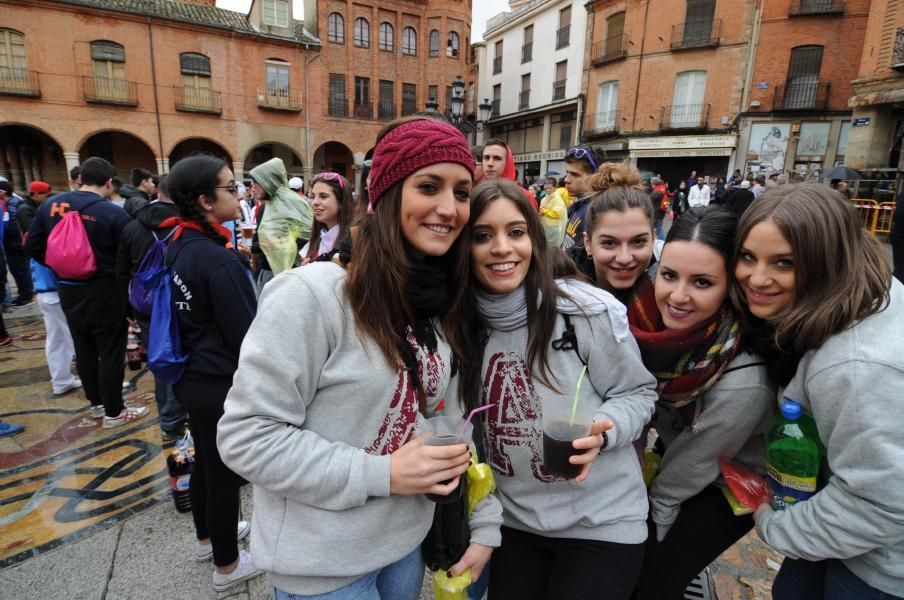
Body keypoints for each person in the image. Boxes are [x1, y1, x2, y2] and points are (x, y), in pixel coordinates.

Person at [217, 117, 501, 600]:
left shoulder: (436, 304)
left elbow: (449, 420)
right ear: (386, 194)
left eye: (461, 192)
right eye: (429, 186)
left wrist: (483, 517)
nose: (449, 208)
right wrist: (383, 474)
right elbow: (246, 438)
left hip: (404, 548)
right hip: (324, 572)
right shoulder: (313, 296)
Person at [456, 178, 657, 600]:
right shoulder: (455, 324)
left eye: (516, 232)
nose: (502, 248)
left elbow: (638, 394)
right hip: (515, 523)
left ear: (534, 238)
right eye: (481, 236)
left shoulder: (585, 310)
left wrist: (608, 429)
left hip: (601, 523)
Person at [733, 184, 904, 599]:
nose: (757, 278)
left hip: (881, 565)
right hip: (844, 538)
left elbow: (881, 502)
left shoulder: (854, 367)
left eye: (785, 263)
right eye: (748, 257)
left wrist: (777, 527)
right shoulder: (866, 290)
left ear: (826, 261)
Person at [629, 207, 774, 599]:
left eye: (702, 282)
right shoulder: (640, 319)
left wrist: (648, 534)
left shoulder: (744, 381)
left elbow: (684, 476)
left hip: (730, 480)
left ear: (731, 287)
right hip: (682, 445)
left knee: (651, 580)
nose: (678, 296)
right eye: (670, 275)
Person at [161, 155, 259, 592]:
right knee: (223, 476)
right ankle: (227, 566)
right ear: (204, 200)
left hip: (189, 377)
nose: (238, 194)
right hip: (218, 380)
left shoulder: (180, 243)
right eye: (229, 186)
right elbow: (249, 337)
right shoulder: (216, 260)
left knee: (205, 460)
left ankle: (207, 538)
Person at [25, 157, 146, 428]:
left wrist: (60, 265)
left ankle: (97, 405)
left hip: (68, 290)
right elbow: (130, 257)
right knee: (111, 351)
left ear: (79, 179)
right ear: (108, 182)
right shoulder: (113, 213)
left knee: (84, 349)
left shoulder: (49, 206)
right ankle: (115, 412)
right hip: (104, 290)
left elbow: (32, 246)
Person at [115, 176, 187, 440]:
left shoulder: (133, 224)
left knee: (160, 358)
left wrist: (129, 309)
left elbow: (121, 270)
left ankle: (170, 420)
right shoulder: (188, 225)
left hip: (146, 306)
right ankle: (191, 411)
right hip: (183, 302)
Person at [19, 181, 81, 396]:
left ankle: (61, 380)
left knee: (56, 338)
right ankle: (100, 384)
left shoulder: (37, 234)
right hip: (55, 290)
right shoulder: (51, 237)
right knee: (76, 338)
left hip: (44, 292)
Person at [573, 163, 659, 306]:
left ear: (653, 239)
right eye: (609, 243)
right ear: (588, 244)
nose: (624, 258)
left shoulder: (669, 300)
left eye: (638, 242)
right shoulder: (552, 294)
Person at [249, 157, 313, 278]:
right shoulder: (265, 207)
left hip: (293, 271)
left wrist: (255, 248)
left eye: (256, 183)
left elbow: (307, 234)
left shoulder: (293, 203)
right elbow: (260, 239)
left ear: (268, 182)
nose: (253, 188)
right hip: (267, 269)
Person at [300, 172, 353, 264]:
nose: (314, 202)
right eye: (313, 196)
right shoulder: (317, 239)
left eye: (323, 196)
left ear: (341, 201)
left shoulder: (355, 241)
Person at [561, 147, 606, 250]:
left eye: (575, 175)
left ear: (595, 176)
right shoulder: (579, 204)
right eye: (567, 173)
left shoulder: (597, 212)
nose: (566, 179)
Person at [0, 180, 34, 305]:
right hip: (12, 244)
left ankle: (27, 295)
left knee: (21, 270)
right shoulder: (9, 203)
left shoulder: (13, 205)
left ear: (2, 192)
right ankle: (24, 293)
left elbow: (14, 226)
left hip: (16, 245)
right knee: (17, 270)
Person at [480, 138, 537, 209]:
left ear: (507, 162)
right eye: (486, 158)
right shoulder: (476, 192)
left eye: (497, 158)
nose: (490, 163)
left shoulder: (524, 196)